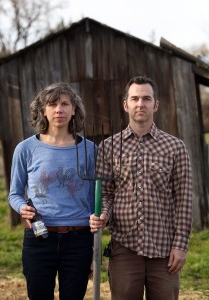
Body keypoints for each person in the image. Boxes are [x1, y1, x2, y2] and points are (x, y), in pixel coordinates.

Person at [89, 76, 193, 300]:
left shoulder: (175, 147)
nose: (140, 104)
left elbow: (184, 200)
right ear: (125, 104)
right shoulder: (108, 147)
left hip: (164, 250)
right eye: (134, 98)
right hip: (124, 247)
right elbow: (105, 193)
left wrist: (181, 245)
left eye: (146, 98)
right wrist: (104, 213)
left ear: (155, 105)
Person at [8, 82, 96, 300]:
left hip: (79, 238)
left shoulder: (89, 149)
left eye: (65, 104)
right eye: (52, 104)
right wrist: (22, 208)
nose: (59, 109)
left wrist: (98, 225)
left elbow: (97, 195)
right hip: (40, 237)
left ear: (74, 109)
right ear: (43, 110)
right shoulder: (26, 148)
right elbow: (15, 193)